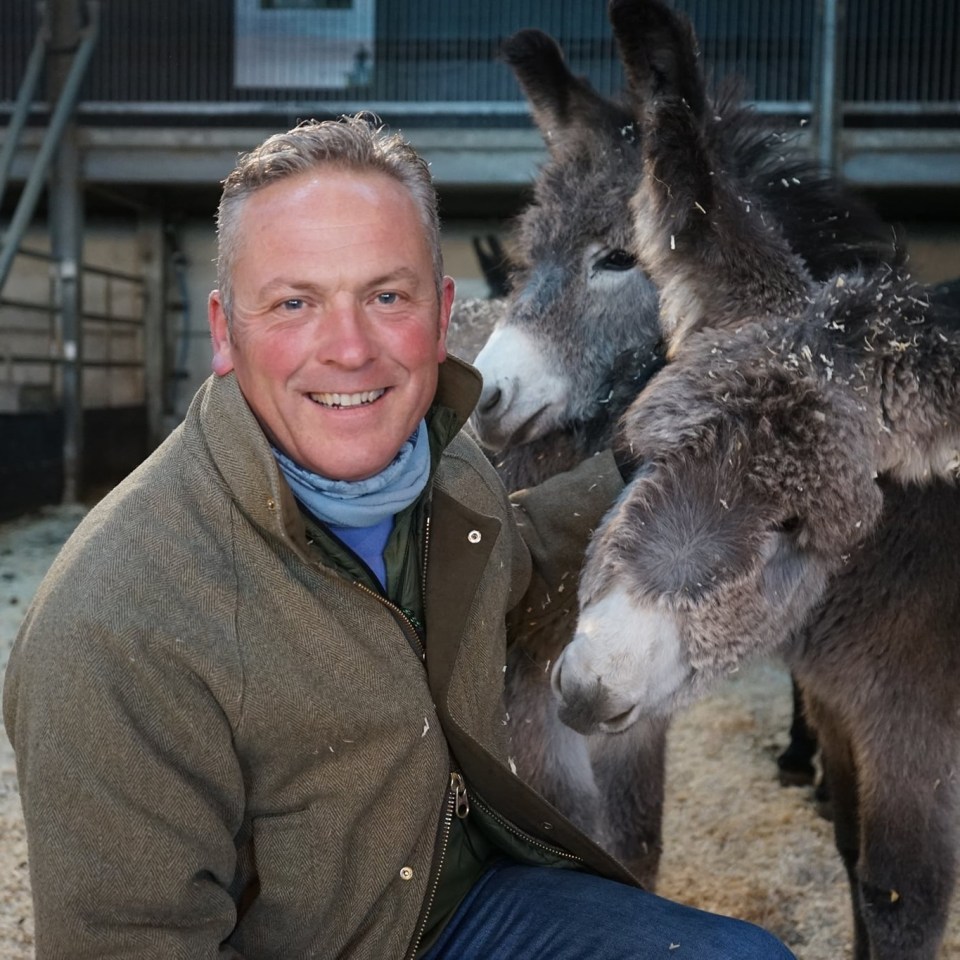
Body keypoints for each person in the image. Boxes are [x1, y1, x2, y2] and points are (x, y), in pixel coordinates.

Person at [4, 115, 795, 960]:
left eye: (387, 296)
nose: (349, 349)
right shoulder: (115, 626)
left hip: (469, 903)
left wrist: (648, 467)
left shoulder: (443, 461)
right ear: (224, 330)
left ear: (444, 309)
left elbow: (500, 556)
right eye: (294, 302)